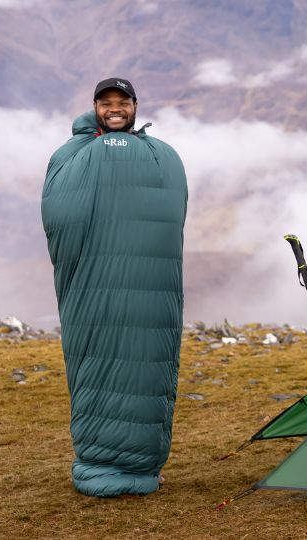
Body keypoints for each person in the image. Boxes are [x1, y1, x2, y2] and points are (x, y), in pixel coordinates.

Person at [42, 77, 188, 496]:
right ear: (95, 107)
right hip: (94, 292)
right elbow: (57, 215)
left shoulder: (162, 157)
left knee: (147, 366)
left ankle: (142, 465)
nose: (115, 108)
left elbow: (170, 215)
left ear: (135, 106)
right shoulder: (72, 156)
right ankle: (101, 462)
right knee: (97, 367)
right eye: (106, 102)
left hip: (150, 292)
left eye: (122, 101)